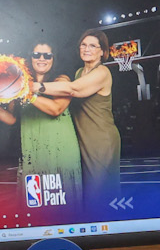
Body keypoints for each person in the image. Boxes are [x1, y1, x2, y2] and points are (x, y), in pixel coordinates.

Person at [0, 41, 83, 209]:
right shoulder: (19, 82)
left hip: (59, 148)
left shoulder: (62, 79)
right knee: (35, 207)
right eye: (37, 55)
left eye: (47, 55)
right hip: (32, 150)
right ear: (30, 57)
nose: (42, 59)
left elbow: (56, 109)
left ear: (53, 58)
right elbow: (12, 119)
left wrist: (27, 93)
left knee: (62, 205)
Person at [40, 30, 119, 218]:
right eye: (83, 45)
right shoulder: (79, 72)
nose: (86, 49)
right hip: (83, 139)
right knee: (84, 195)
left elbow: (73, 89)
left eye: (92, 45)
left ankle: (107, 231)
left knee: (98, 196)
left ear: (102, 52)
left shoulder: (102, 72)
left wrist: (34, 87)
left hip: (101, 140)